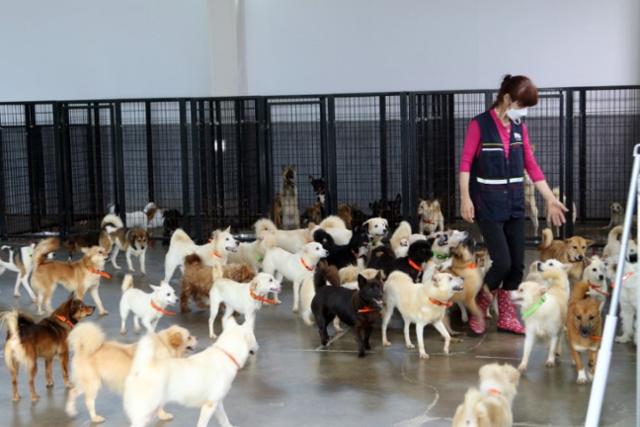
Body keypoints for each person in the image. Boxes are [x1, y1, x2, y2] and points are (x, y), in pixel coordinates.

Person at [459, 74, 567, 335]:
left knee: (517, 265)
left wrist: (550, 198)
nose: (524, 111)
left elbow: (531, 165)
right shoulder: (479, 125)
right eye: (522, 104)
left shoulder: (520, 128)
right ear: (507, 98)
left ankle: (507, 317)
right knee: (502, 263)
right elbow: (465, 163)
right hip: (488, 204)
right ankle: (479, 305)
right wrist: (465, 197)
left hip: (515, 203)